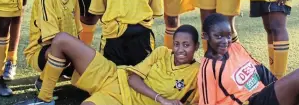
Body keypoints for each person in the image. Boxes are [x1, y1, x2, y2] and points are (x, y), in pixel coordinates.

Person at [19, 24, 201, 105]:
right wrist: (161, 99)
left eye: (186, 45)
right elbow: (133, 79)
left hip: (121, 101)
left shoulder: (197, 73)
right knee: (61, 40)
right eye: (177, 44)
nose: (180, 50)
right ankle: (45, 98)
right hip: (112, 75)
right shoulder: (162, 52)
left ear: (196, 47)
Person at [198, 13, 299, 105]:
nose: (225, 41)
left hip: (263, 95)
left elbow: (260, 70)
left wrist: (278, 86)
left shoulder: (235, 47)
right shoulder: (207, 69)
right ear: (206, 36)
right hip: (250, 101)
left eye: (228, 36)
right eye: (219, 37)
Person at [23, 0, 82, 92]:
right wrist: (75, 54)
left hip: (67, 50)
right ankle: (43, 83)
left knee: (92, 60)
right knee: (62, 50)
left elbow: (77, 31)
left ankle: (67, 71)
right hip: (43, 52)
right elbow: (53, 40)